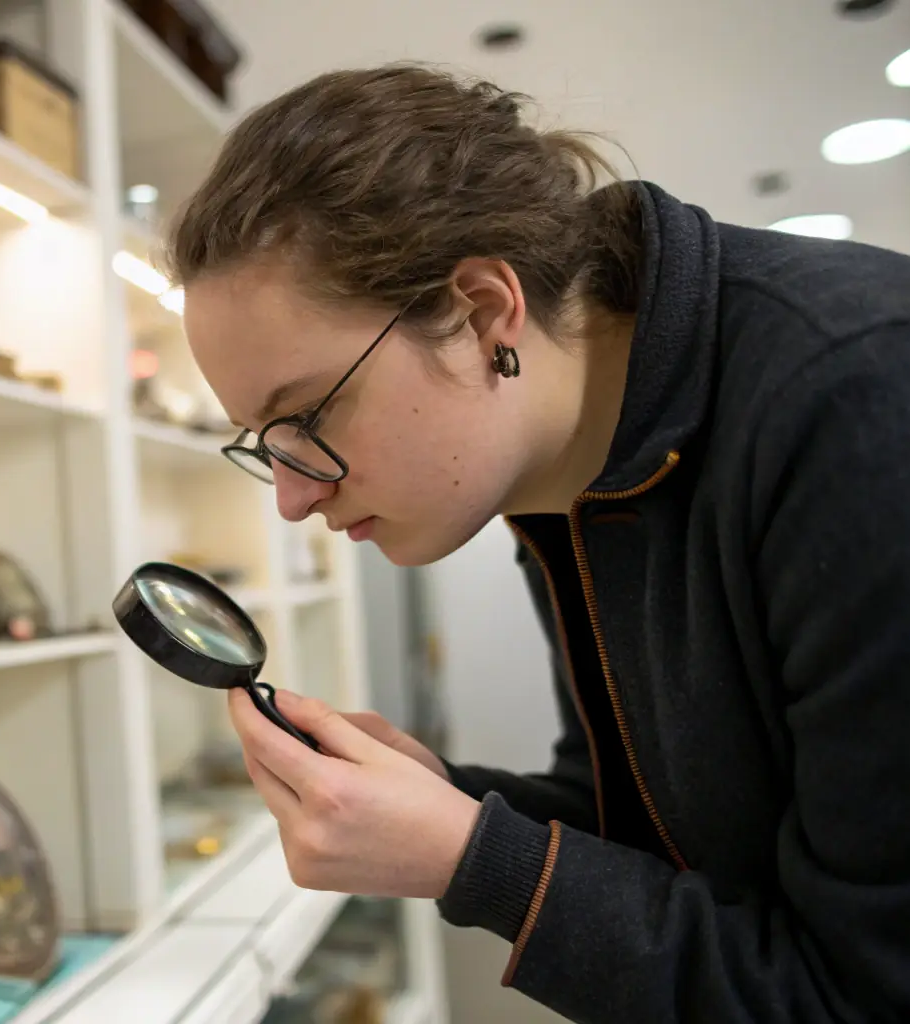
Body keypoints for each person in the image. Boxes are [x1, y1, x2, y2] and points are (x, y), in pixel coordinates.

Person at [162, 63, 910, 1023]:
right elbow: (644, 812)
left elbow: (866, 995)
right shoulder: (555, 473)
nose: (294, 500)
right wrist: (443, 799)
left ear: (481, 313)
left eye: (307, 415)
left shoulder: (858, 397)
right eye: (266, 448)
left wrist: (476, 861)